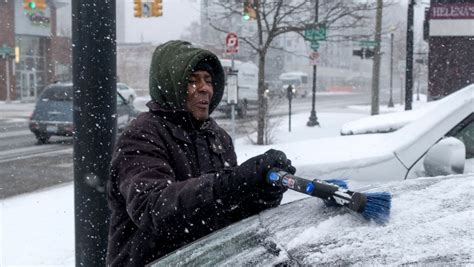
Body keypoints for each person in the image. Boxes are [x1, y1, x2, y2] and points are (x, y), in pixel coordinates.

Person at [106, 40, 296, 266]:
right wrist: (230, 183)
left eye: (208, 80)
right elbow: (154, 209)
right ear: (171, 84)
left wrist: (261, 193)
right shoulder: (142, 135)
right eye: (192, 81)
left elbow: (228, 215)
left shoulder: (217, 137)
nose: (205, 88)